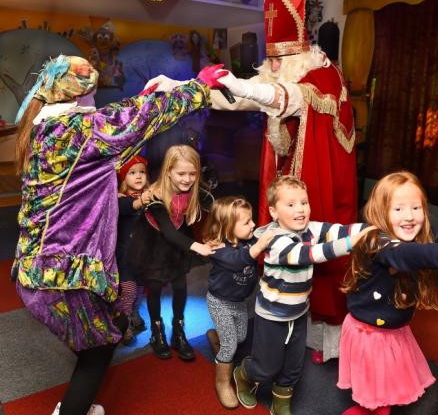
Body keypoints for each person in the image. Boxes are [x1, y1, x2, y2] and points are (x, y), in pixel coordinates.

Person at [11, 54, 226, 415]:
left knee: (100, 333)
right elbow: (136, 119)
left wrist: (145, 95)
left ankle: (76, 404)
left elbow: (124, 116)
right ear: (81, 96)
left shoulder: (46, 130)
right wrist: (199, 88)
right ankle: (73, 410)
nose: (97, 100)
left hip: (35, 273)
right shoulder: (79, 131)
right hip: (64, 276)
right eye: (93, 91)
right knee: (100, 349)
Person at [213, 0, 358, 362]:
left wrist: (237, 83)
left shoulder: (318, 79)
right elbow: (246, 99)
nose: (273, 67)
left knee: (321, 250)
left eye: (279, 62)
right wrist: (188, 92)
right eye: (270, 61)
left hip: (321, 182)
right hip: (292, 179)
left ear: (297, 55)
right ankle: (284, 321)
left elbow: (281, 98)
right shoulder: (288, 73)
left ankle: (327, 344)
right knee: (284, 250)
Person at [233, 175, 371, 415]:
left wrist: (370, 229)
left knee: (294, 366)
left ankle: (282, 402)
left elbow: (337, 230)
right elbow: (310, 254)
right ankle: (244, 375)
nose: (300, 209)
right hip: (272, 316)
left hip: (298, 313)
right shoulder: (275, 241)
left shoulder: (311, 229)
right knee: (266, 367)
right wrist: (351, 243)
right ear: (274, 212)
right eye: (291, 204)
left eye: (304, 203)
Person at [338, 171, 438, 415]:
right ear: (381, 212)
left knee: (386, 380)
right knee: (378, 388)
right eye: (398, 209)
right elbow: (406, 256)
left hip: (395, 327)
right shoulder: (378, 241)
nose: (409, 217)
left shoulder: (422, 232)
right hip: (370, 333)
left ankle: (373, 405)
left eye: (416, 208)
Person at [127, 144, 216, 361]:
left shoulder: (195, 191)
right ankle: (157, 332)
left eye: (192, 174)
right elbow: (167, 230)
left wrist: (222, 229)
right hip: (155, 243)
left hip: (178, 242)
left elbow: (216, 208)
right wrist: (199, 247)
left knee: (180, 285)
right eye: (181, 174)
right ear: (168, 171)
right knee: (155, 287)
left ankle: (178, 331)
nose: (187, 179)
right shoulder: (155, 196)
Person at [203, 196, 275, 409]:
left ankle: (215, 337)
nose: (253, 225)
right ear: (227, 227)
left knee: (241, 336)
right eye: (246, 222)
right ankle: (222, 382)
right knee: (231, 345)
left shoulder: (250, 239)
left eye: (252, 220)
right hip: (219, 302)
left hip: (239, 302)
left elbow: (261, 234)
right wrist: (260, 244)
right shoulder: (218, 248)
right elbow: (239, 261)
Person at [116, 155, 150, 345]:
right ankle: (124, 322)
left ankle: (134, 312)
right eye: (132, 172)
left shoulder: (150, 198)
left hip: (143, 257)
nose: (138, 176)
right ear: (124, 178)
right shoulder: (120, 200)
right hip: (126, 256)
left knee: (139, 289)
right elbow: (131, 206)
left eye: (142, 172)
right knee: (128, 290)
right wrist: (142, 200)